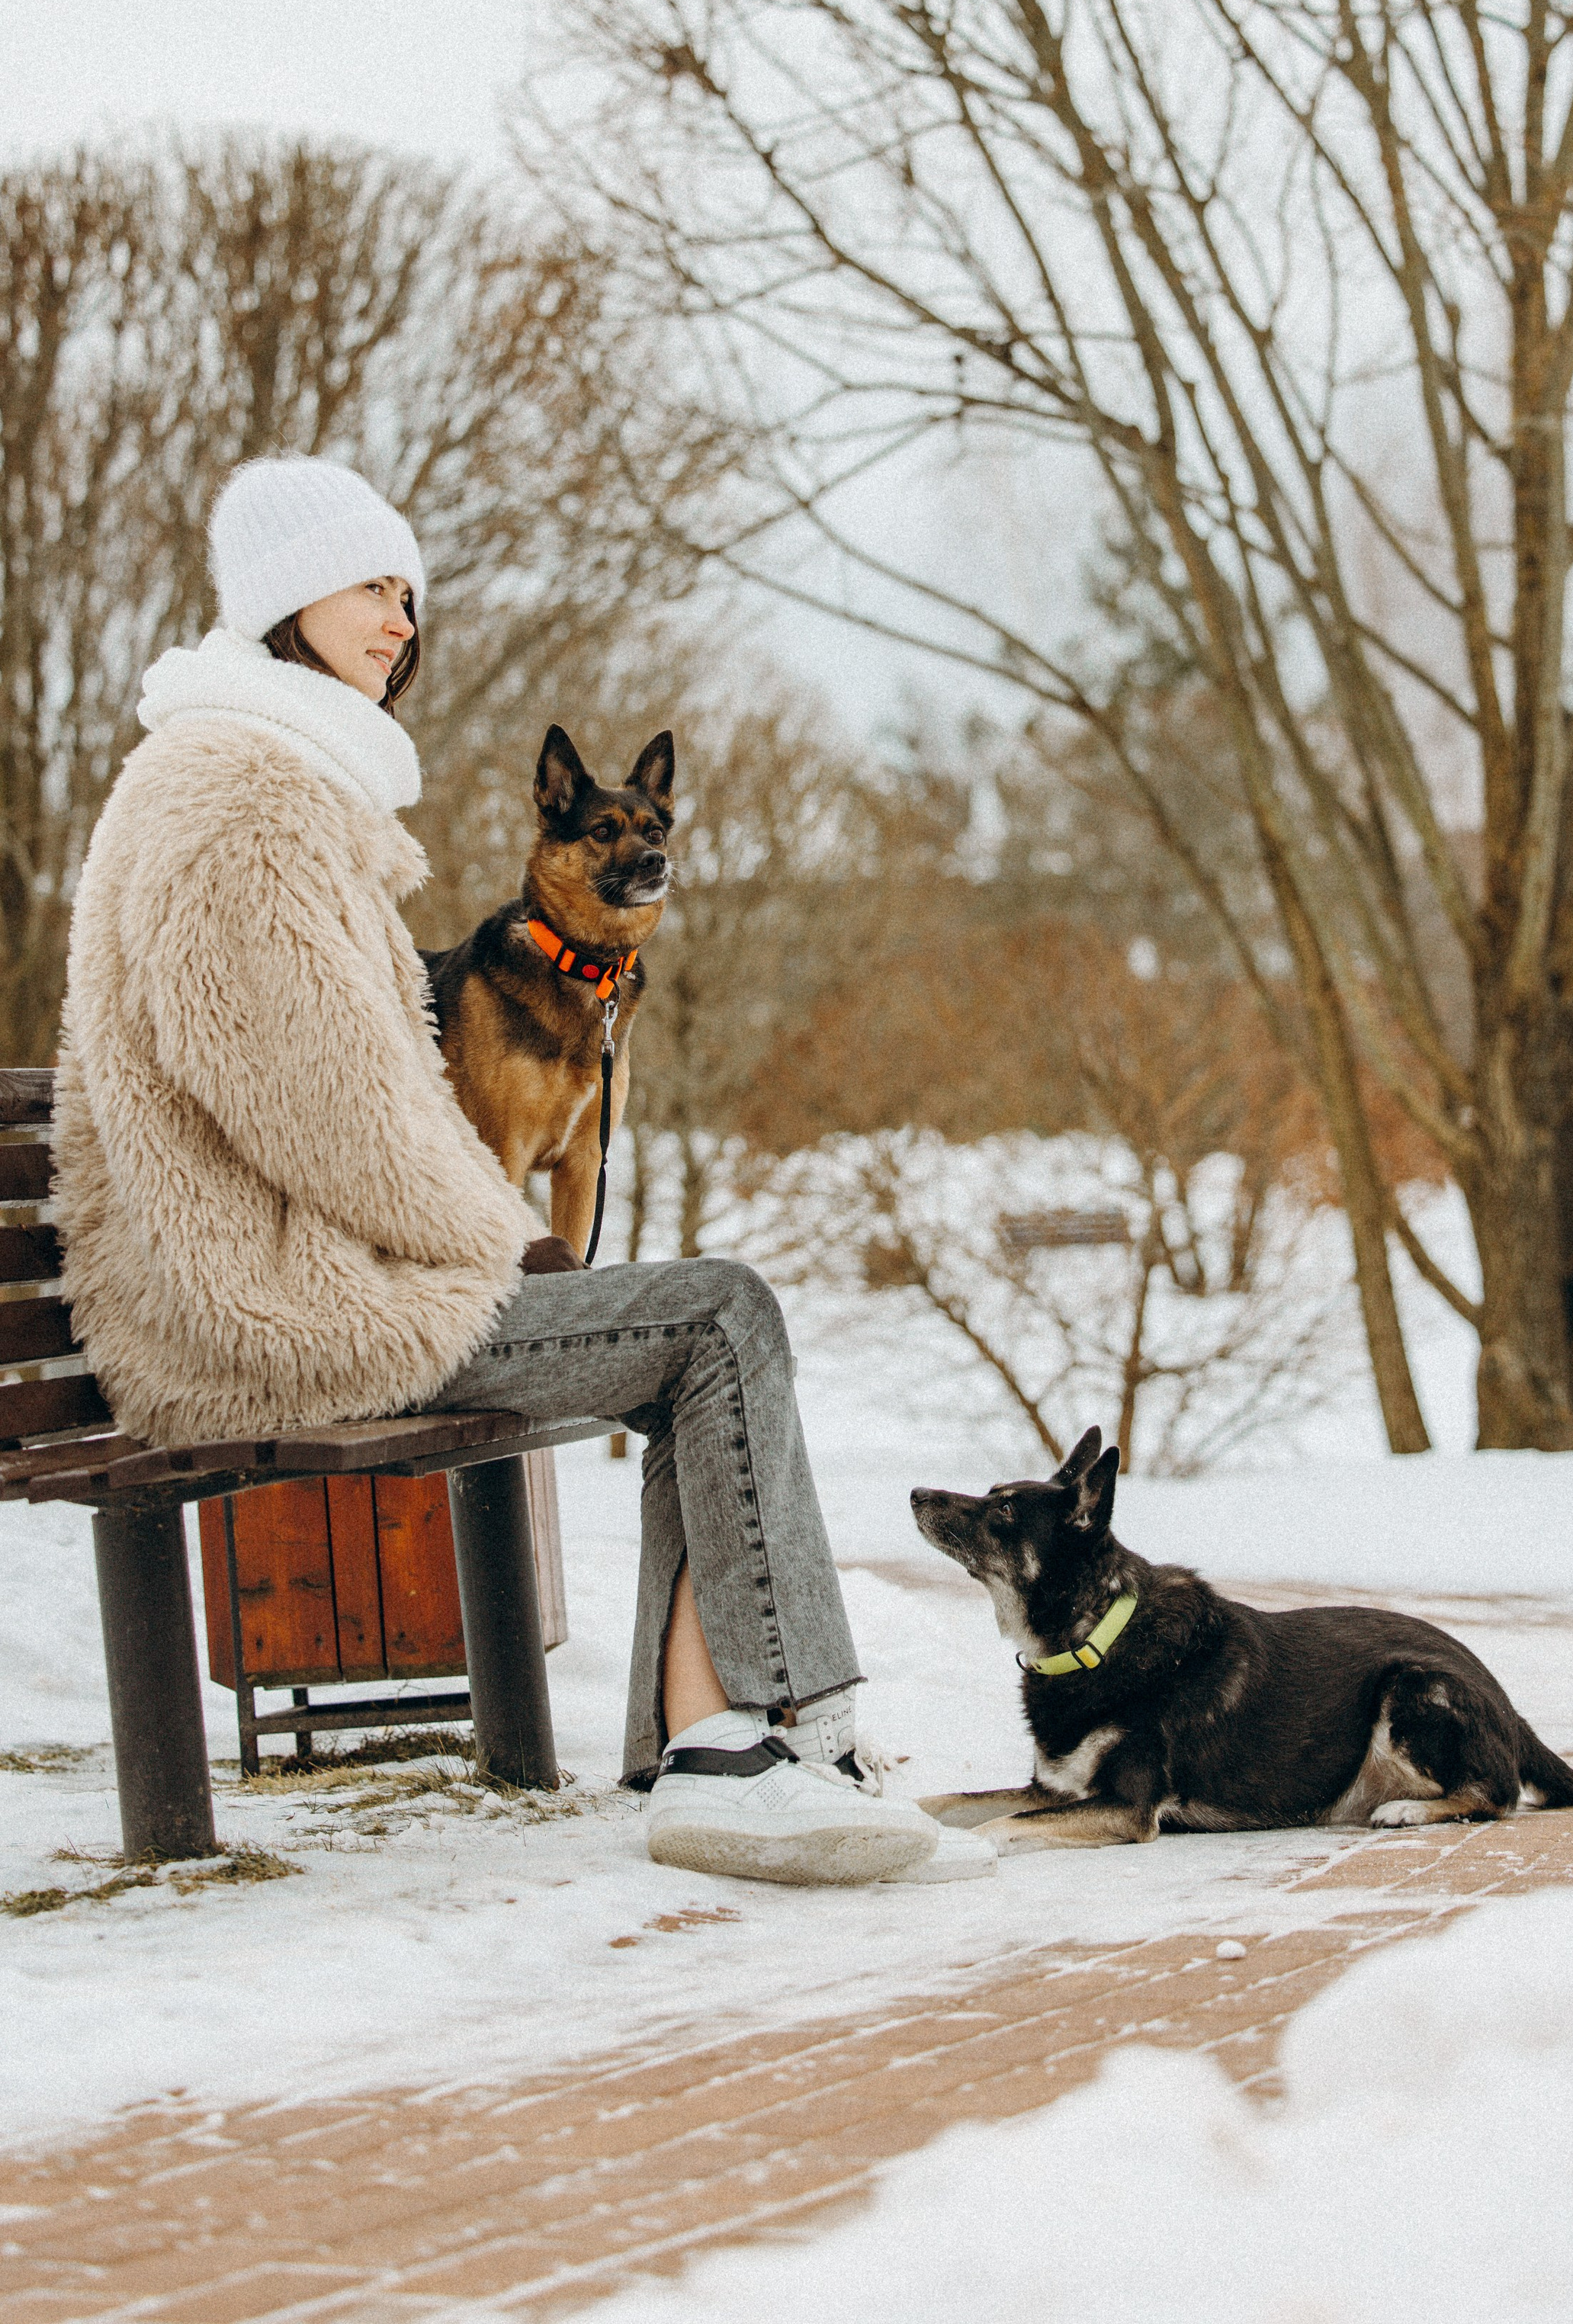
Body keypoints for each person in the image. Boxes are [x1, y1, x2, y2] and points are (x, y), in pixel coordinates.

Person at [54, 455, 984, 1888]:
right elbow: (327, 1110)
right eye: (370, 584)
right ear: (280, 596)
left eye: (407, 592)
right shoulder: (234, 797)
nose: (399, 618)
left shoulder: (272, 781)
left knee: (698, 1325)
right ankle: (758, 1739)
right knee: (719, 1316)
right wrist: (497, 1241)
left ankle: (720, 1742)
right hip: (282, 1312)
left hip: (309, 1282)